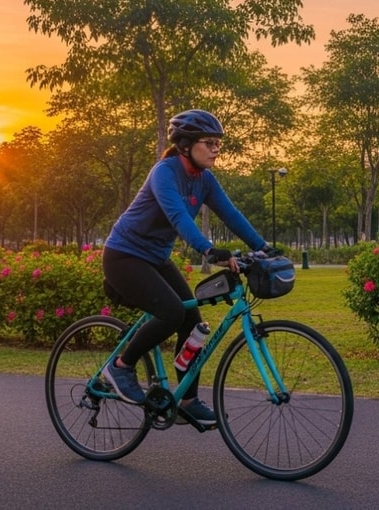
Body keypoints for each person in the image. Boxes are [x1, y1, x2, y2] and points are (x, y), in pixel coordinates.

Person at [101, 109, 274, 426]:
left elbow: (231, 215)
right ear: (185, 145)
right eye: (208, 143)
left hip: (155, 258)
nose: (215, 149)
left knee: (192, 319)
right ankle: (121, 366)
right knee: (171, 312)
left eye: (218, 143)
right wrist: (209, 250)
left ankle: (187, 399)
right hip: (123, 257)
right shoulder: (164, 173)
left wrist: (263, 247)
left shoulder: (204, 179)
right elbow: (179, 218)